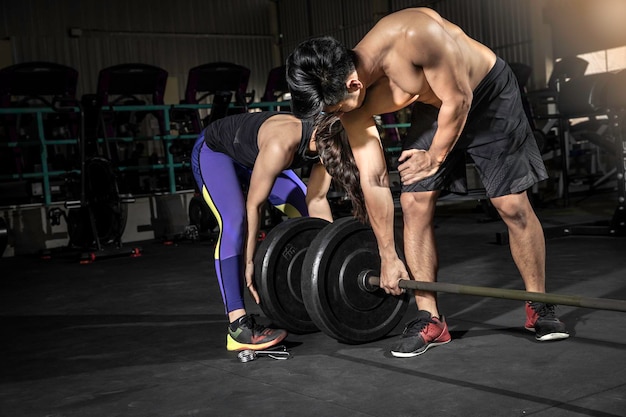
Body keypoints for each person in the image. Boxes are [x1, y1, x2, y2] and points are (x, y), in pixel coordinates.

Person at [286, 7, 569, 358]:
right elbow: (373, 178)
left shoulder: (415, 36)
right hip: (436, 107)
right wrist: (388, 255)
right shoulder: (351, 102)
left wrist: (433, 157)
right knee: (414, 201)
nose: (338, 116)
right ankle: (430, 318)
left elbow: (460, 98)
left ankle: (538, 304)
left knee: (510, 204)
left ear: (353, 84)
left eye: (338, 109)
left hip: (486, 93)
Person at [191, 111, 333, 352]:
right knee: (235, 221)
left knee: (306, 207)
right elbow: (254, 205)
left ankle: (317, 297)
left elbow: (317, 201)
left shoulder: (331, 139)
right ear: (316, 138)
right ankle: (238, 326)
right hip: (215, 151)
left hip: (253, 154)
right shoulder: (282, 144)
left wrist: (332, 264)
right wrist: (249, 261)